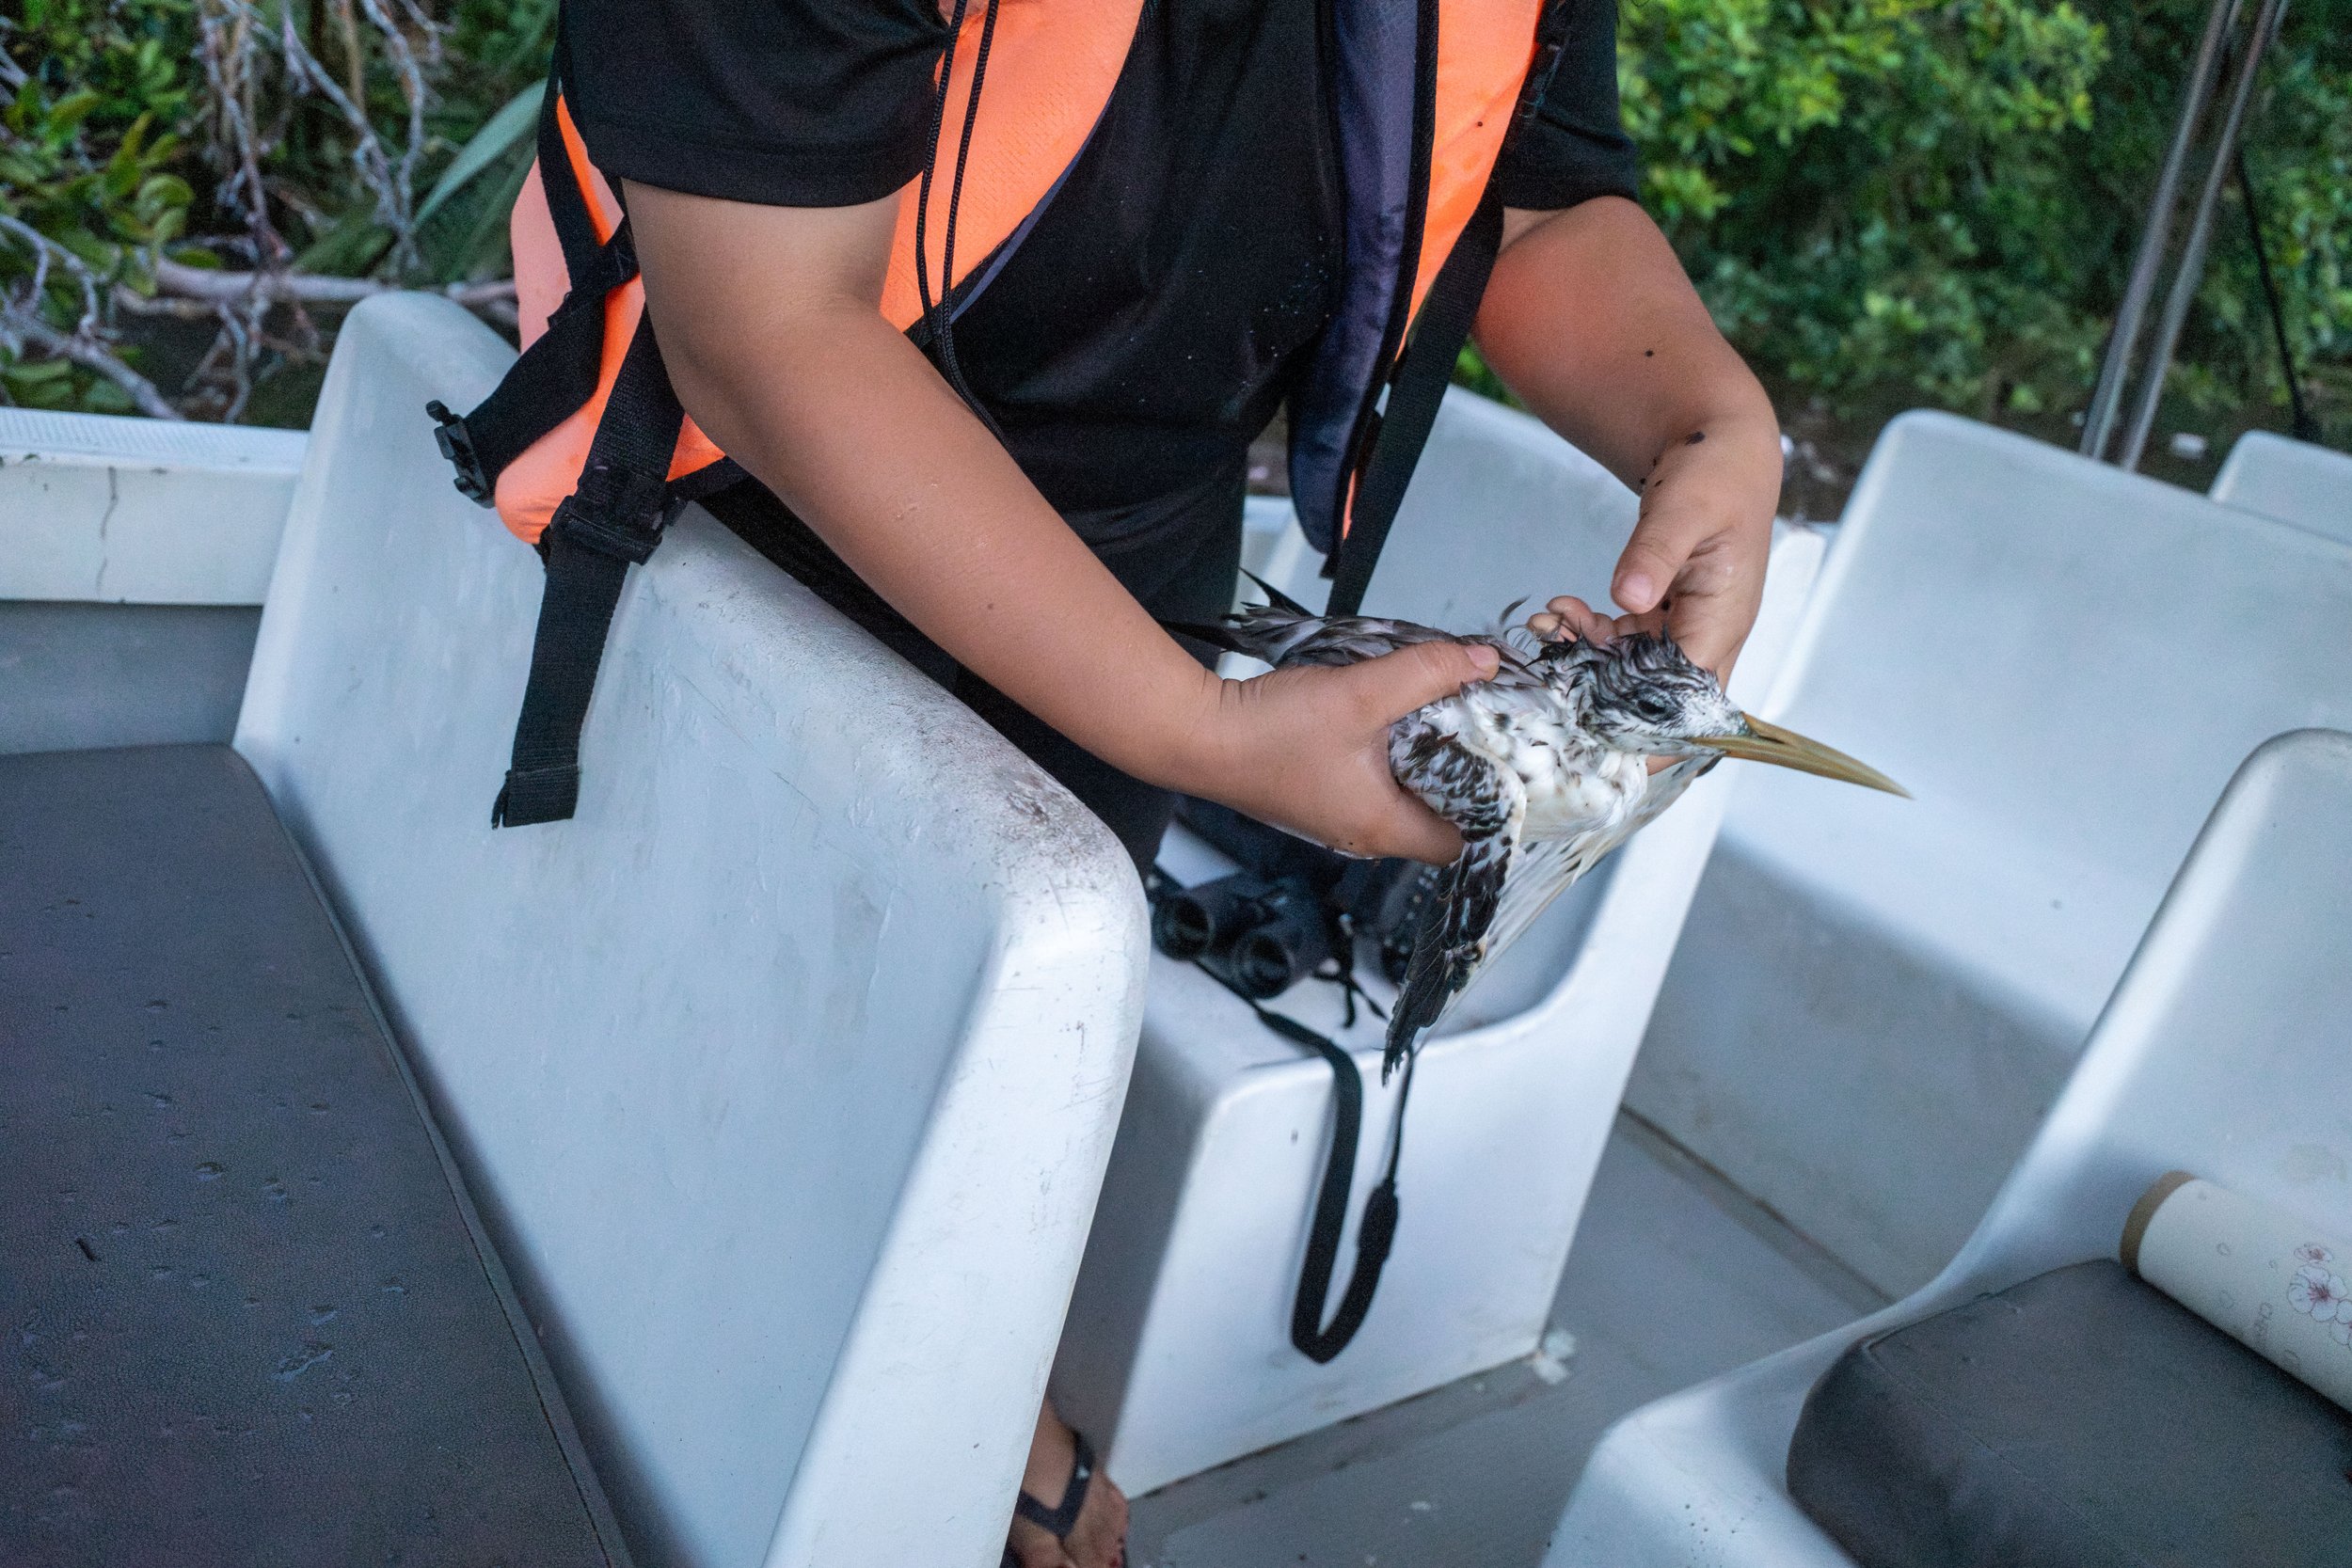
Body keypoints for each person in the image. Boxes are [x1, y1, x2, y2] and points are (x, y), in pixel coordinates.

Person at [552, 1, 1783, 1562]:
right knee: (705, 1066)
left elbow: (1536, 203)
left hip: (1153, 525)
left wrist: (1713, 421)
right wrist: (1206, 732)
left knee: (1007, 1046)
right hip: (732, 516)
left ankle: (977, 1392)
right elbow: (763, 319)